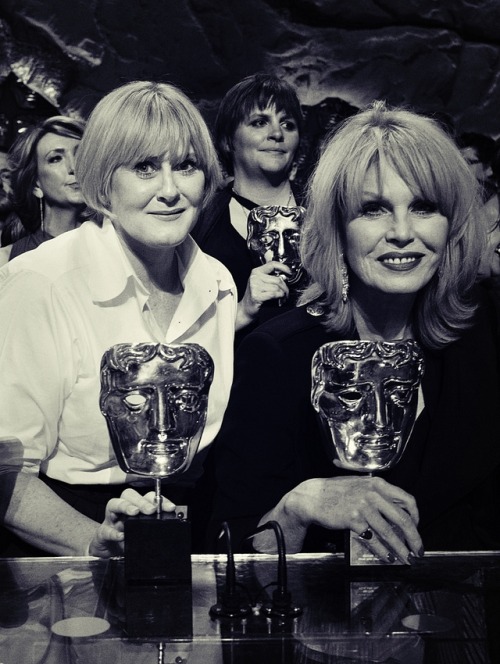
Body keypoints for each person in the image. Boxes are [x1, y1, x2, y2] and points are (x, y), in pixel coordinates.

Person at [209, 101, 500, 562]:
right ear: (337, 228)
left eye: (424, 207)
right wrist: (300, 507)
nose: (402, 232)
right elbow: (229, 555)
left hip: (467, 624)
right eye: (373, 209)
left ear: (452, 225)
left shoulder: (486, 333)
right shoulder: (279, 353)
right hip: (325, 627)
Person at [0, 80, 237, 558]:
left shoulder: (218, 284)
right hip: (66, 545)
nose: (170, 190)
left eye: (186, 166)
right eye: (145, 167)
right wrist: (93, 542)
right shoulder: (41, 281)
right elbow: (7, 477)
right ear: (104, 181)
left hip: (185, 533)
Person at [192, 73, 305, 339]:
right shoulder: (199, 222)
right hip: (233, 375)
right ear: (228, 140)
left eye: (288, 125)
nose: (276, 134)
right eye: (259, 122)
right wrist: (241, 310)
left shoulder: (326, 213)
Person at [0, 116, 88, 266]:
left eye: (80, 154)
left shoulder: (118, 247)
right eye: (55, 159)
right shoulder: (8, 261)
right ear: (36, 185)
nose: (73, 167)